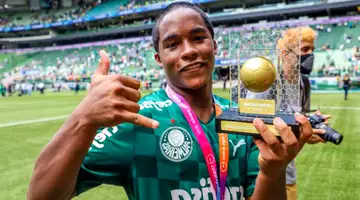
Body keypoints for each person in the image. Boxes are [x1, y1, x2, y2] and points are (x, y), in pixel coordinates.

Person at [27, 2, 314, 200]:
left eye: (198, 38)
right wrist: (83, 119)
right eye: (173, 44)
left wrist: (273, 170)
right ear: (159, 58)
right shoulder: (139, 121)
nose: (188, 51)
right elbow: (41, 195)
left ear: (214, 46)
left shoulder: (239, 118)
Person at [277, 27, 330, 200]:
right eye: (304, 49)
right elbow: (254, 126)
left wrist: (311, 124)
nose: (310, 55)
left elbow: (298, 119)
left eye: (312, 49)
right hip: (260, 172)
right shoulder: (267, 80)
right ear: (286, 53)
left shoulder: (304, 82)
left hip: (288, 171)